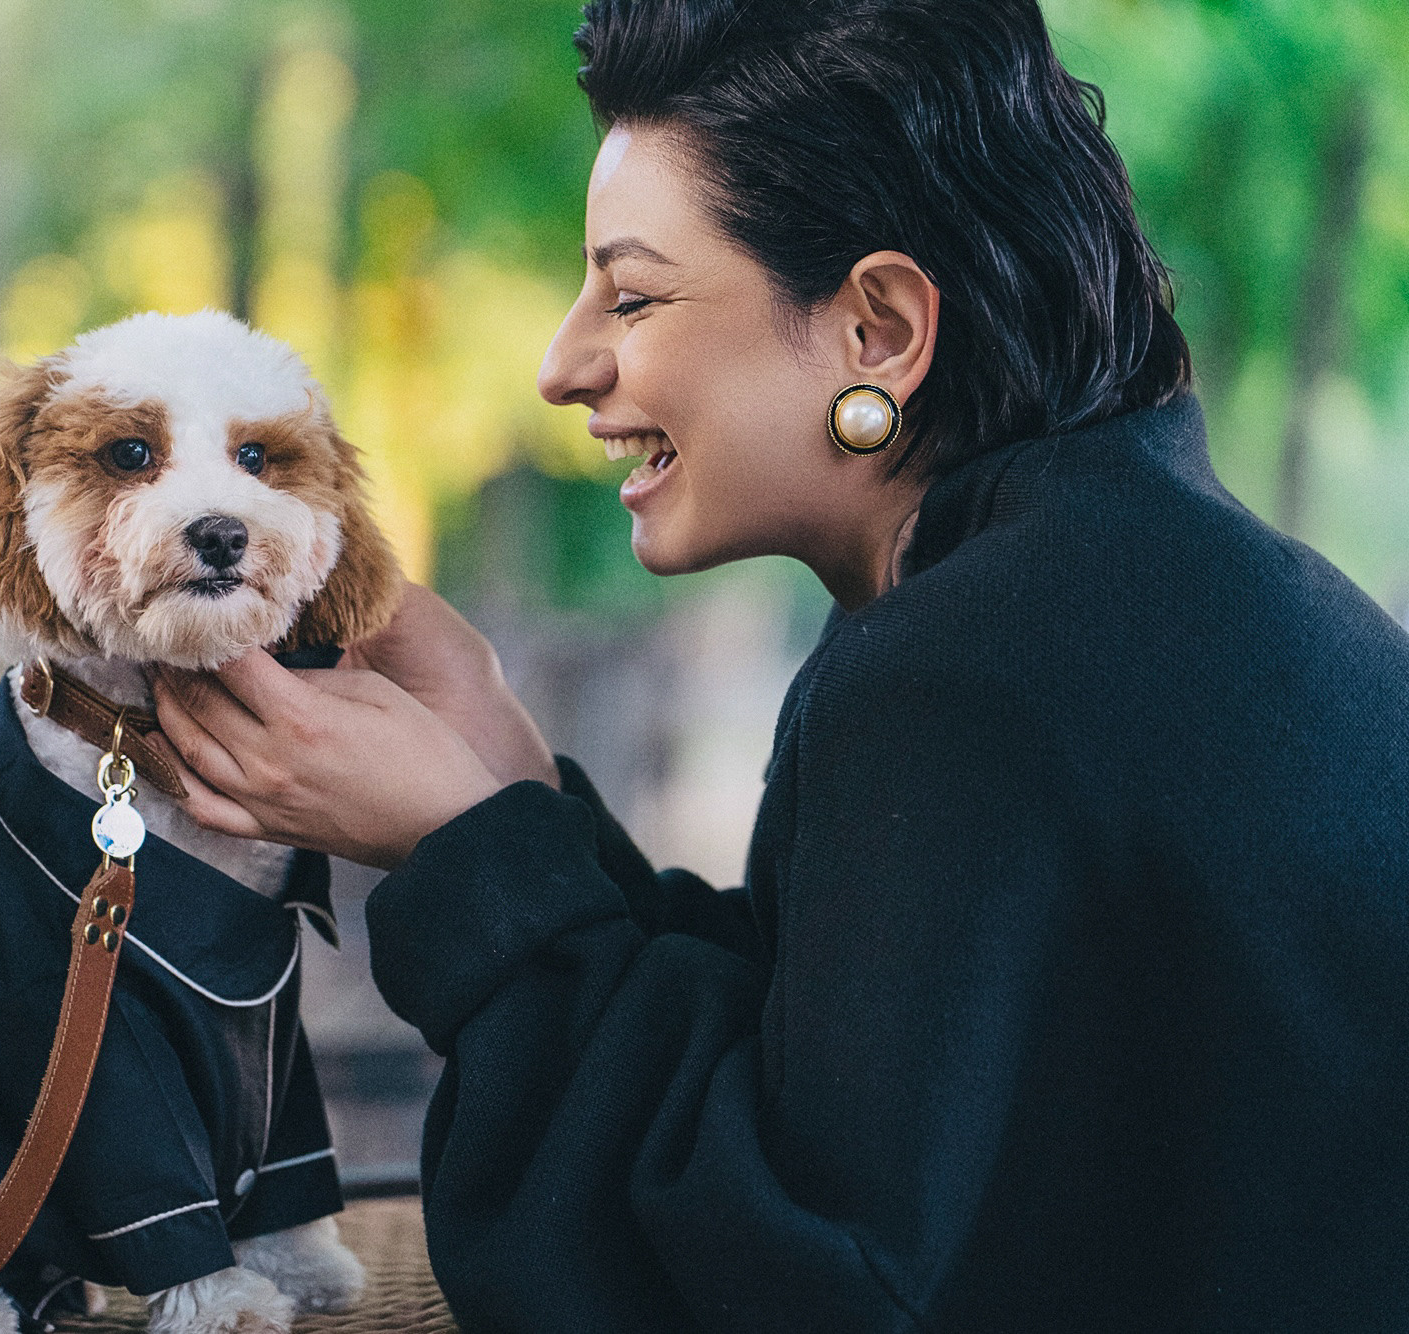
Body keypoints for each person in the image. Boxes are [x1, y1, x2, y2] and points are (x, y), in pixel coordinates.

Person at [148, 0, 1409, 1328]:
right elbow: (831, 1101)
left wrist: (466, 850)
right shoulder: (1102, 588)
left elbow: (802, 1275)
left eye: (631, 295)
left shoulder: (970, 671)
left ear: (877, 330)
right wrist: (516, 798)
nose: (561, 365)